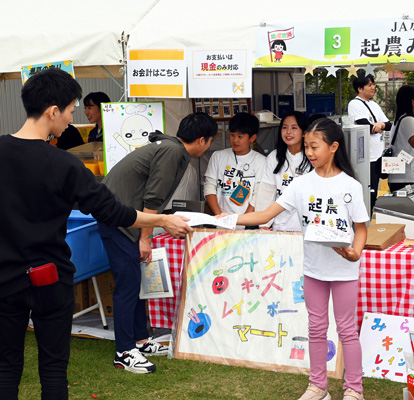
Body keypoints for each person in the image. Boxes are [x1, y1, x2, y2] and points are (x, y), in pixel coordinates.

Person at [0, 68, 192, 399]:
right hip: (50, 280)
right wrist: (162, 221)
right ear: (52, 111)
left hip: (5, 279)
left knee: (5, 368)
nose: (73, 118)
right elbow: (113, 211)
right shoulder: (62, 164)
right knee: (52, 371)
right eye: (72, 110)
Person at [221, 118, 369, 400]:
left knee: (347, 329)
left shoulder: (350, 186)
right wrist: (228, 218)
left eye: (315, 147)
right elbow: (265, 215)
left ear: (334, 147)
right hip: (313, 269)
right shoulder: (301, 185)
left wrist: (356, 252)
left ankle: (354, 390)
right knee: (315, 327)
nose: (309, 153)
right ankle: (317, 387)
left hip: (344, 271)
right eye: (307, 147)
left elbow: (361, 228)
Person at [99, 112, 217, 374]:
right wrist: (145, 239)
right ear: (202, 140)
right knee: (127, 286)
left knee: (136, 284)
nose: (209, 146)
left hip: (127, 220)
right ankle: (124, 351)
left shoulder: (170, 147)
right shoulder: (172, 151)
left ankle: (140, 341)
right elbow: (152, 200)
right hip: (120, 222)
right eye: (210, 141)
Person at [253, 111, 313, 231]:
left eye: (294, 128)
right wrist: (263, 224)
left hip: (309, 225)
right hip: (281, 225)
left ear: (304, 132)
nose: (288, 132)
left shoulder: (313, 156)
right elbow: (266, 192)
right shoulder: (274, 157)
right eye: (285, 128)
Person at [204, 112, 266, 220]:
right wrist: (220, 216)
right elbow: (209, 187)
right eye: (232, 135)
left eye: (240, 136)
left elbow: (259, 194)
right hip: (221, 220)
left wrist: (243, 220)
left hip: (248, 222)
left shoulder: (261, 161)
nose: (235, 140)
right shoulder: (217, 156)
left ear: (252, 138)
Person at [348, 73, 392, 213]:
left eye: (373, 84)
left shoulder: (373, 104)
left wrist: (379, 125)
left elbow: (388, 124)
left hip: (378, 155)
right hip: (366, 157)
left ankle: (369, 218)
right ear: (360, 88)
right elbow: (365, 126)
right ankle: (364, 222)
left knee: (375, 189)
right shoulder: (354, 104)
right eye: (370, 85)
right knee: (368, 192)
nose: (373, 87)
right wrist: (378, 126)